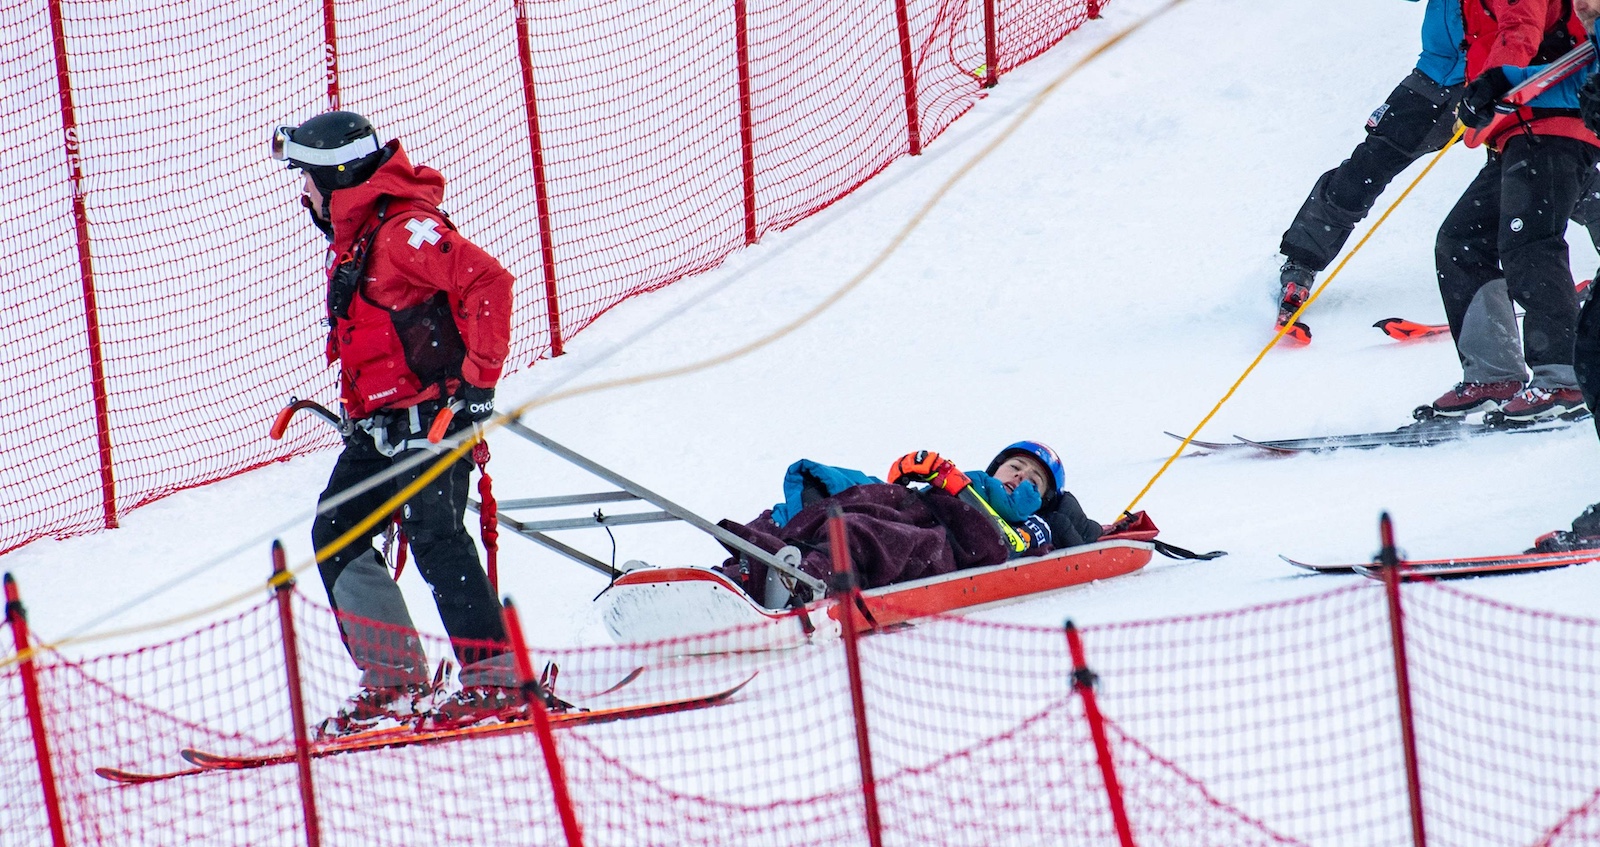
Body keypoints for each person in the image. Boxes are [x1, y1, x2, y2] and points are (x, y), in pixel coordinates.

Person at [272, 111, 519, 734]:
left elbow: (486, 280)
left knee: (435, 533)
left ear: (338, 177)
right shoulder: (357, 240)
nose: (304, 196)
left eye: (308, 181)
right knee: (338, 531)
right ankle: (394, 681)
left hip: (436, 416)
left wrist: (479, 385)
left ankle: (496, 683)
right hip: (381, 424)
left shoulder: (404, 231)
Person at [1424, 0, 1599, 424]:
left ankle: (1563, 375)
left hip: (1553, 126)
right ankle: (1494, 374)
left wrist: (1492, 82)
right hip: (1515, 131)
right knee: (1462, 241)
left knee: (1529, 243)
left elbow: (1521, 28)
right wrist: (1484, 93)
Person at [1274, 0, 1469, 341]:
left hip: (1503, 79)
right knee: (1364, 170)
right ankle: (1300, 266)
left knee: (1537, 164)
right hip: (1432, 78)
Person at [715, 441, 1108, 606]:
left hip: (949, 540)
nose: (1020, 477)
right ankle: (744, 565)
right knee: (838, 499)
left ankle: (800, 578)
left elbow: (1011, 543)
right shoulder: (967, 482)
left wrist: (1029, 506)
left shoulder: (1039, 523)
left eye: (1034, 481)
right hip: (920, 506)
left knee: (866, 533)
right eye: (1015, 467)